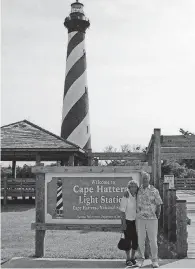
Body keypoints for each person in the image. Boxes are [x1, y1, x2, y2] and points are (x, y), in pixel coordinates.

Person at [136, 172, 163, 268]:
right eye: (143, 178)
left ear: (149, 179)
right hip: (140, 219)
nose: (145, 180)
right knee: (140, 240)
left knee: (153, 241)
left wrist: (158, 216)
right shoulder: (138, 190)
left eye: (146, 178)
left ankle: (154, 260)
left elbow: (159, 204)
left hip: (152, 219)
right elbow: (130, 192)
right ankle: (140, 259)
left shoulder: (154, 190)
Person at [119, 179, 139, 267]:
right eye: (132, 186)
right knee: (128, 241)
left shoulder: (138, 196)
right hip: (128, 222)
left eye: (135, 186)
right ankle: (127, 259)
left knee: (136, 241)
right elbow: (122, 212)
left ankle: (133, 258)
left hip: (137, 222)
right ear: (129, 187)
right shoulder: (126, 196)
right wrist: (123, 224)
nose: (133, 188)